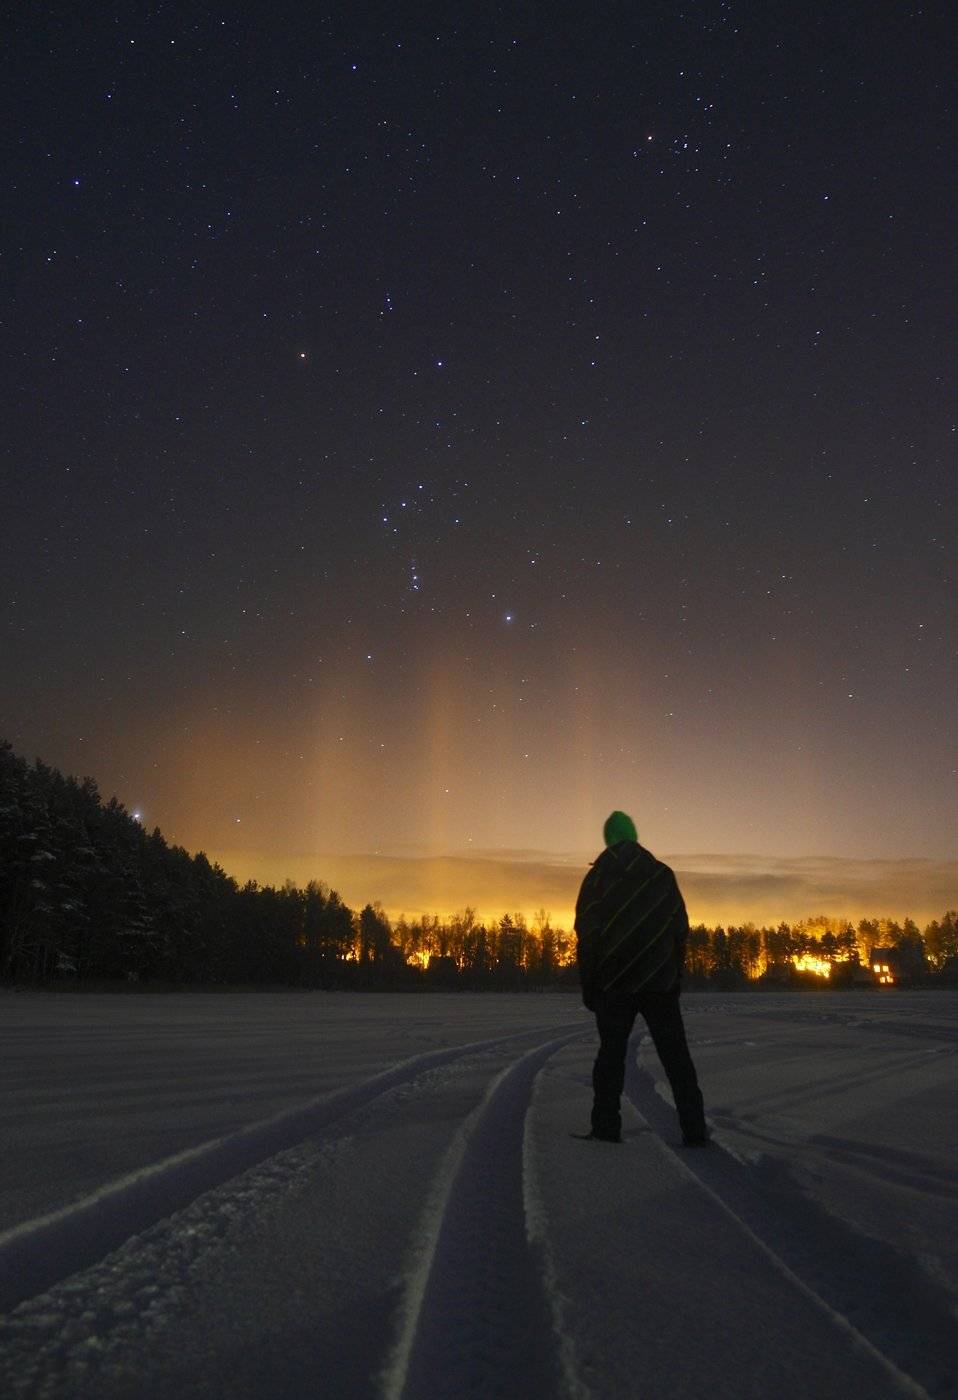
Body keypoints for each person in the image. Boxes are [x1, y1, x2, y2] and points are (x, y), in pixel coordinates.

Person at [574, 810, 707, 1146]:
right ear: (633, 836)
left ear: (608, 840)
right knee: (677, 1059)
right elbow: (679, 928)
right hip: (659, 982)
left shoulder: (597, 879)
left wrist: (589, 985)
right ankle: (695, 1131)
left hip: (613, 985)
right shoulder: (661, 874)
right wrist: (674, 975)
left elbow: (587, 936)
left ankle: (605, 1129)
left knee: (610, 1058)